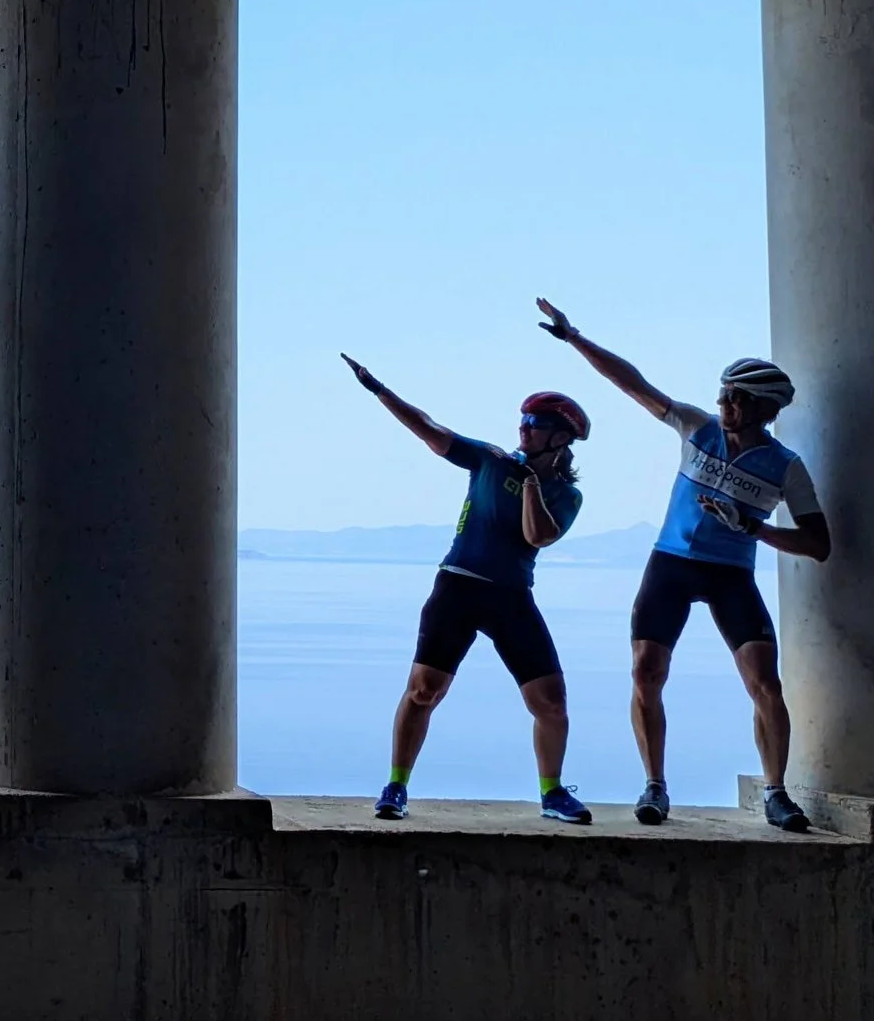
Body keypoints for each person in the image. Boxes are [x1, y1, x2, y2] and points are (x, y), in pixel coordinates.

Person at [536, 298, 830, 832]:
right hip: (670, 564)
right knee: (646, 672)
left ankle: (776, 793)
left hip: (730, 573)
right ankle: (655, 786)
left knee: (766, 684)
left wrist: (755, 528)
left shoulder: (786, 467)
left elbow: (818, 543)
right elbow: (634, 384)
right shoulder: (697, 428)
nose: (724, 403)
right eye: (722, 393)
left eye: (736, 398)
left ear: (766, 409)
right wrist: (575, 338)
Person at [342, 355, 594, 826]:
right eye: (523, 420)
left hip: (511, 597)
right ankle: (395, 786)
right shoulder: (489, 460)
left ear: (561, 439)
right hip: (457, 586)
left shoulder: (567, 495)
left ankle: (552, 793)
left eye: (536, 424)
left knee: (552, 702)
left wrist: (532, 484)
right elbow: (429, 429)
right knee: (423, 691)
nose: (524, 429)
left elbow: (538, 536)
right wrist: (379, 389)